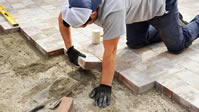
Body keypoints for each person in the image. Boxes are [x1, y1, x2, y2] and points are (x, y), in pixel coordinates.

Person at [58, 0, 199, 108]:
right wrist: (70, 49)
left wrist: (105, 85)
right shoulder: (76, 4)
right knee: (135, 43)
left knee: (177, 46)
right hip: (137, 10)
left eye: (83, 25)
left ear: (93, 14)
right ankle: (172, 26)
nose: (83, 27)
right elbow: (62, 20)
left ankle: (177, 24)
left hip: (161, 6)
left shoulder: (113, 9)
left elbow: (110, 51)